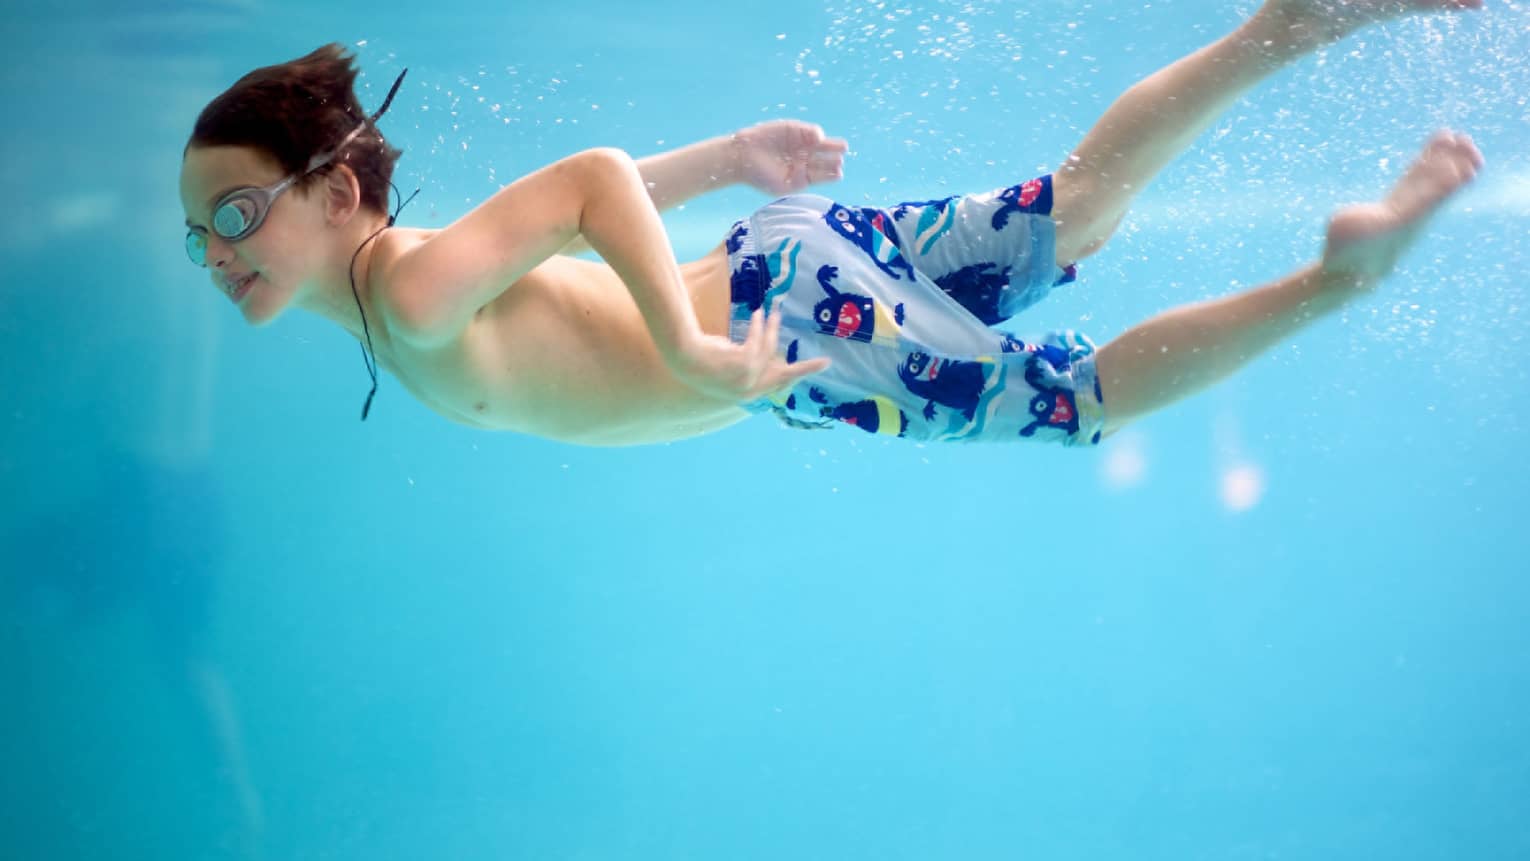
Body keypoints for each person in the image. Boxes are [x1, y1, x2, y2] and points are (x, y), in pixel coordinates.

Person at [178, 0, 1485, 448]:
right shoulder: (416, 282)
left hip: (781, 328)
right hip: (780, 272)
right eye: (200, 238)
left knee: (1078, 396)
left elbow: (584, 179)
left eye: (232, 212)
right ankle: (1279, 28)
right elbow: (575, 232)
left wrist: (690, 357)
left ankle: (1332, 282)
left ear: (337, 190)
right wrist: (729, 157)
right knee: (1077, 198)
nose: (219, 252)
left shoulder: (404, 293)